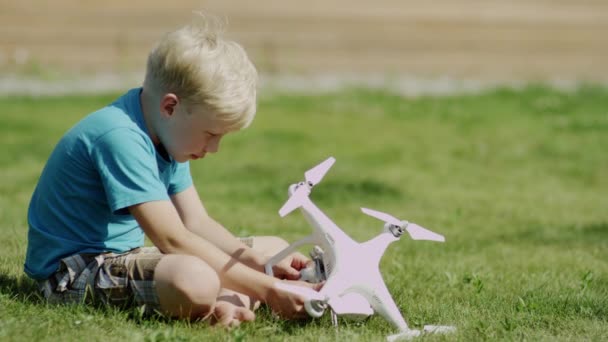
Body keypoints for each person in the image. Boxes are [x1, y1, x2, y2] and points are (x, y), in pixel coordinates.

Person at [24, 15, 319, 327]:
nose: (214, 148)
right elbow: (172, 240)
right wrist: (270, 289)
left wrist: (258, 264)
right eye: (210, 134)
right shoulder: (119, 137)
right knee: (195, 278)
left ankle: (223, 304)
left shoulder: (166, 132)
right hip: (75, 272)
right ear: (170, 107)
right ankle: (223, 299)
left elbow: (197, 222)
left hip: (129, 255)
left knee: (272, 249)